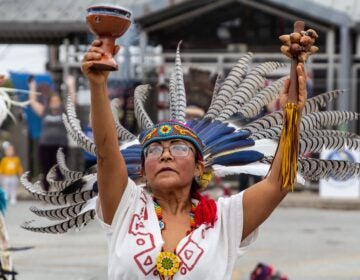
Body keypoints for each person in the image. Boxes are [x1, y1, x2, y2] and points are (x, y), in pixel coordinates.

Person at [81, 39, 307, 279]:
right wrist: (97, 85)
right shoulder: (126, 206)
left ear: (200, 167)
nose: (166, 154)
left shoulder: (225, 220)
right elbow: (106, 153)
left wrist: (292, 113)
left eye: (178, 148)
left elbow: (280, 181)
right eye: (155, 150)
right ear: (143, 171)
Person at [28, 78, 69, 191]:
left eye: (57, 101)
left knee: (61, 169)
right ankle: (46, 193)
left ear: (60, 102)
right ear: (49, 102)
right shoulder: (44, 111)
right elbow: (33, 102)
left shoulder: (64, 111)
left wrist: (71, 85)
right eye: (53, 101)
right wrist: (32, 87)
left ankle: (62, 193)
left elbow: (73, 101)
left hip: (61, 146)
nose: (55, 103)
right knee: (46, 169)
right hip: (45, 145)